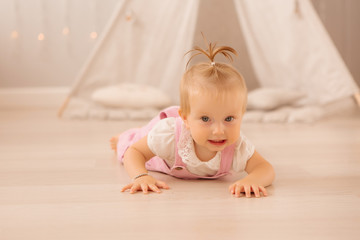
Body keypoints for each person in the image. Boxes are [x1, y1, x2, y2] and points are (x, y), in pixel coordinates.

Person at [110, 39, 275, 198]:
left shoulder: (237, 146)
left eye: (229, 118)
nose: (219, 131)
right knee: (131, 143)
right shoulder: (167, 135)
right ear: (185, 119)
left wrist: (252, 180)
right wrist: (140, 176)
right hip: (160, 148)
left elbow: (265, 168)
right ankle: (122, 137)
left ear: (241, 115)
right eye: (205, 119)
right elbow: (135, 152)